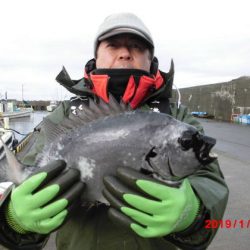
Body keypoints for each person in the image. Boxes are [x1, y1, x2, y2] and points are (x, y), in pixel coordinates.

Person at [0, 13, 228, 250]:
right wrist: (14, 220)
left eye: (137, 46)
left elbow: (211, 182)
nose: (125, 53)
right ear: (96, 56)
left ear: (151, 59)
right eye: (113, 45)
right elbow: (20, 188)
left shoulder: (177, 119)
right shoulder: (65, 115)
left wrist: (193, 213)